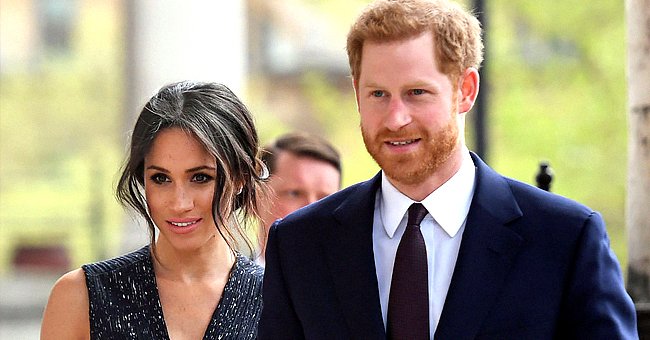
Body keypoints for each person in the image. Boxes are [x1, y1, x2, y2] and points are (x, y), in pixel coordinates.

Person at [258, 0, 638, 339]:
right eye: (378, 94)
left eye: (416, 93)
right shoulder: (299, 245)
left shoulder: (564, 240)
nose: (395, 118)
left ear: (466, 90)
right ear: (357, 92)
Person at [41, 81, 267, 339]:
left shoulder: (276, 299)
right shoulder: (81, 297)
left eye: (201, 178)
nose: (180, 203)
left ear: (239, 178)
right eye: (161, 179)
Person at [257, 132, 342, 265]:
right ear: (255, 198)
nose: (312, 209)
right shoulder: (225, 280)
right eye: (294, 194)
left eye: (326, 199)